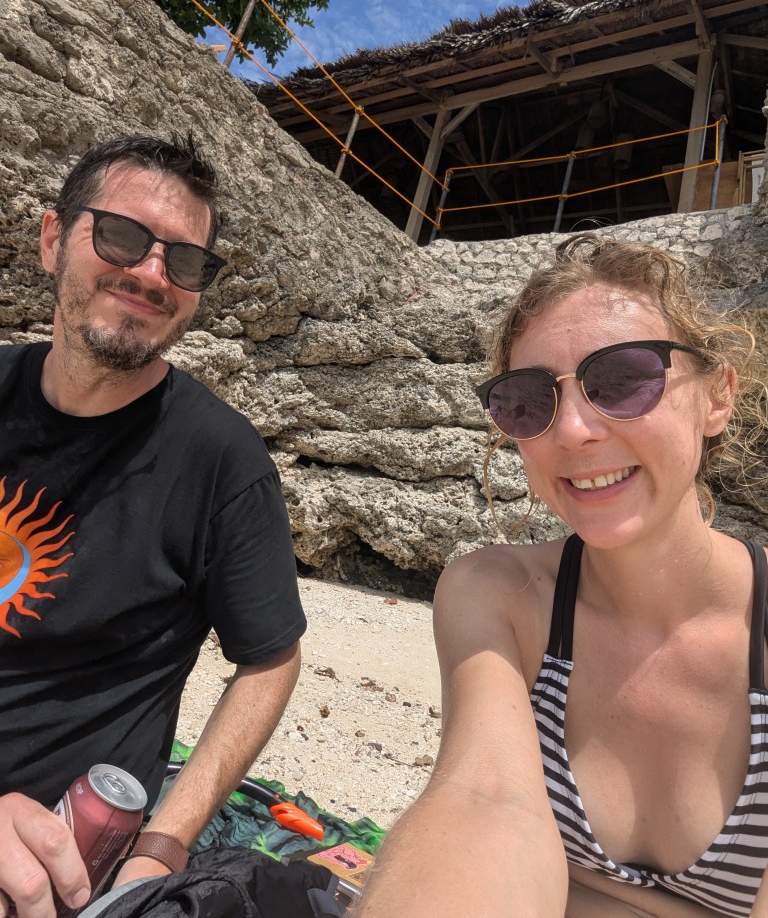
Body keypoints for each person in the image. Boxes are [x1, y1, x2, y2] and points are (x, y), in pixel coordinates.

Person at [356, 234, 768, 918]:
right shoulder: (499, 596)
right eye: (528, 401)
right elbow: (484, 800)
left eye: (624, 380)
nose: (573, 429)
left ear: (716, 397)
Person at [0, 134, 306, 918]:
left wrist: (159, 851)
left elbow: (270, 659)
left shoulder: (220, 460)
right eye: (121, 237)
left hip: (52, 849)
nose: (149, 274)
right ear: (50, 239)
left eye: (185, 262)